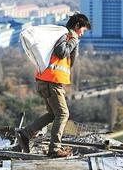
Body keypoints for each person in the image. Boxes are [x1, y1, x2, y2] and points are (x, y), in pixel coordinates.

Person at [18, 13, 91, 158]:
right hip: (51, 82)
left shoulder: (68, 37)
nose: (82, 34)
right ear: (77, 26)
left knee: (54, 114)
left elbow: (70, 61)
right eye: (82, 30)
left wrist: (74, 42)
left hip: (48, 81)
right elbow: (62, 52)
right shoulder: (65, 35)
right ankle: (54, 149)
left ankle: (25, 134)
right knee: (63, 114)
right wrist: (74, 40)